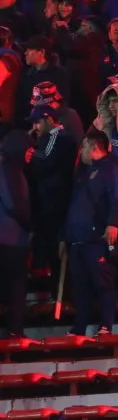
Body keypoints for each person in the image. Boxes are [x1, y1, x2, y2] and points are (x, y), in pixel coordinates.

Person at [63, 130, 118, 336]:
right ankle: (80, 326)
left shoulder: (112, 167)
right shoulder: (83, 172)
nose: (80, 151)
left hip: (97, 237)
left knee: (103, 282)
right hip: (77, 238)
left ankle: (105, 325)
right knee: (81, 285)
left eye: (83, 146)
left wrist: (113, 223)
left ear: (93, 147)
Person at [27, 104, 77, 299]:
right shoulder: (48, 138)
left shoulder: (58, 136)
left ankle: (62, 292)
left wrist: (28, 150)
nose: (35, 127)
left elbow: (45, 160)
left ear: (49, 119)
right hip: (49, 201)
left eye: (37, 122)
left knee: (58, 248)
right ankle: (57, 290)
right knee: (51, 247)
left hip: (56, 202)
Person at [0, 130, 32, 339]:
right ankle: (15, 330)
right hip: (10, 238)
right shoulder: (8, 168)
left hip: (8, 237)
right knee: (16, 284)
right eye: (28, 148)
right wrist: (29, 223)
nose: (31, 153)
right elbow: (13, 203)